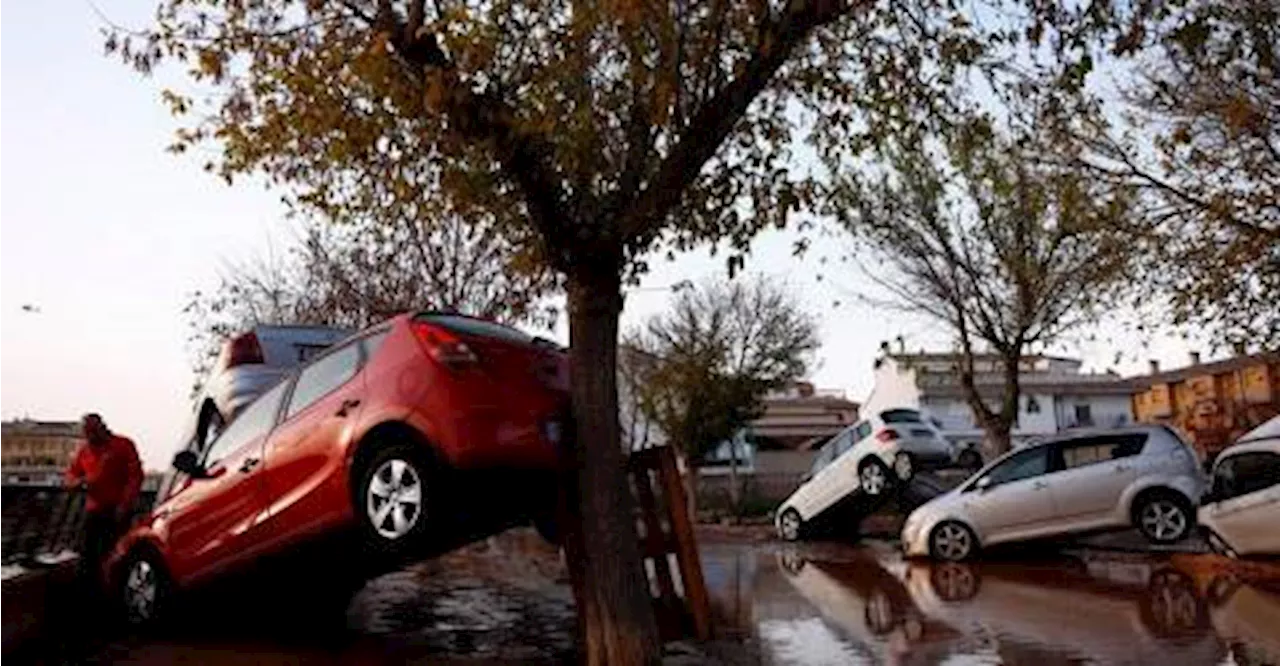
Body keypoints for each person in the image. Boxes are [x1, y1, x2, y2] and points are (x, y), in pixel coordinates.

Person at [64, 413, 144, 594]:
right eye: (87, 433)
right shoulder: (84, 450)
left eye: (92, 432)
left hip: (118, 510)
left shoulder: (123, 445)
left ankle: (117, 592)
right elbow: (71, 474)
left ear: (102, 428)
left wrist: (124, 505)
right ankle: (93, 595)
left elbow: (135, 477)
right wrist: (76, 482)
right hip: (94, 510)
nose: (89, 436)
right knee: (88, 556)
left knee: (117, 555)